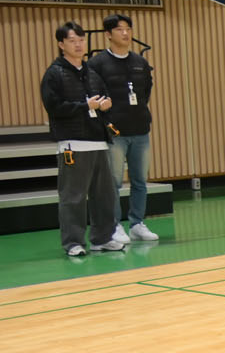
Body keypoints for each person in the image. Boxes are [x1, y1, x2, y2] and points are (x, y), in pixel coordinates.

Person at [42, 21, 125, 257]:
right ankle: (73, 243)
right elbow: (54, 107)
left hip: (98, 141)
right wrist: (84, 106)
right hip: (73, 143)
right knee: (73, 197)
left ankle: (102, 238)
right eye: (72, 41)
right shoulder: (54, 74)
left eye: (81, 40)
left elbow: (104, 101)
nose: (78, 45)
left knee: (104, 196)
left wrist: (106, 105)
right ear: (61, 44)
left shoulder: (92, 73)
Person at [88, 14, 158, 243]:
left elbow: (146, 91)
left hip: (140, 129)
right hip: (114, 132)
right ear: (108, 34)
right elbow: (93, 93)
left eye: (128, 28)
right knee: (114, 182)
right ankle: (114, 225)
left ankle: (137, 223)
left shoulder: (140, 62)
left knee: (139, 180)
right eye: (119, 29)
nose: (125, 33)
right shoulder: (97, 64)